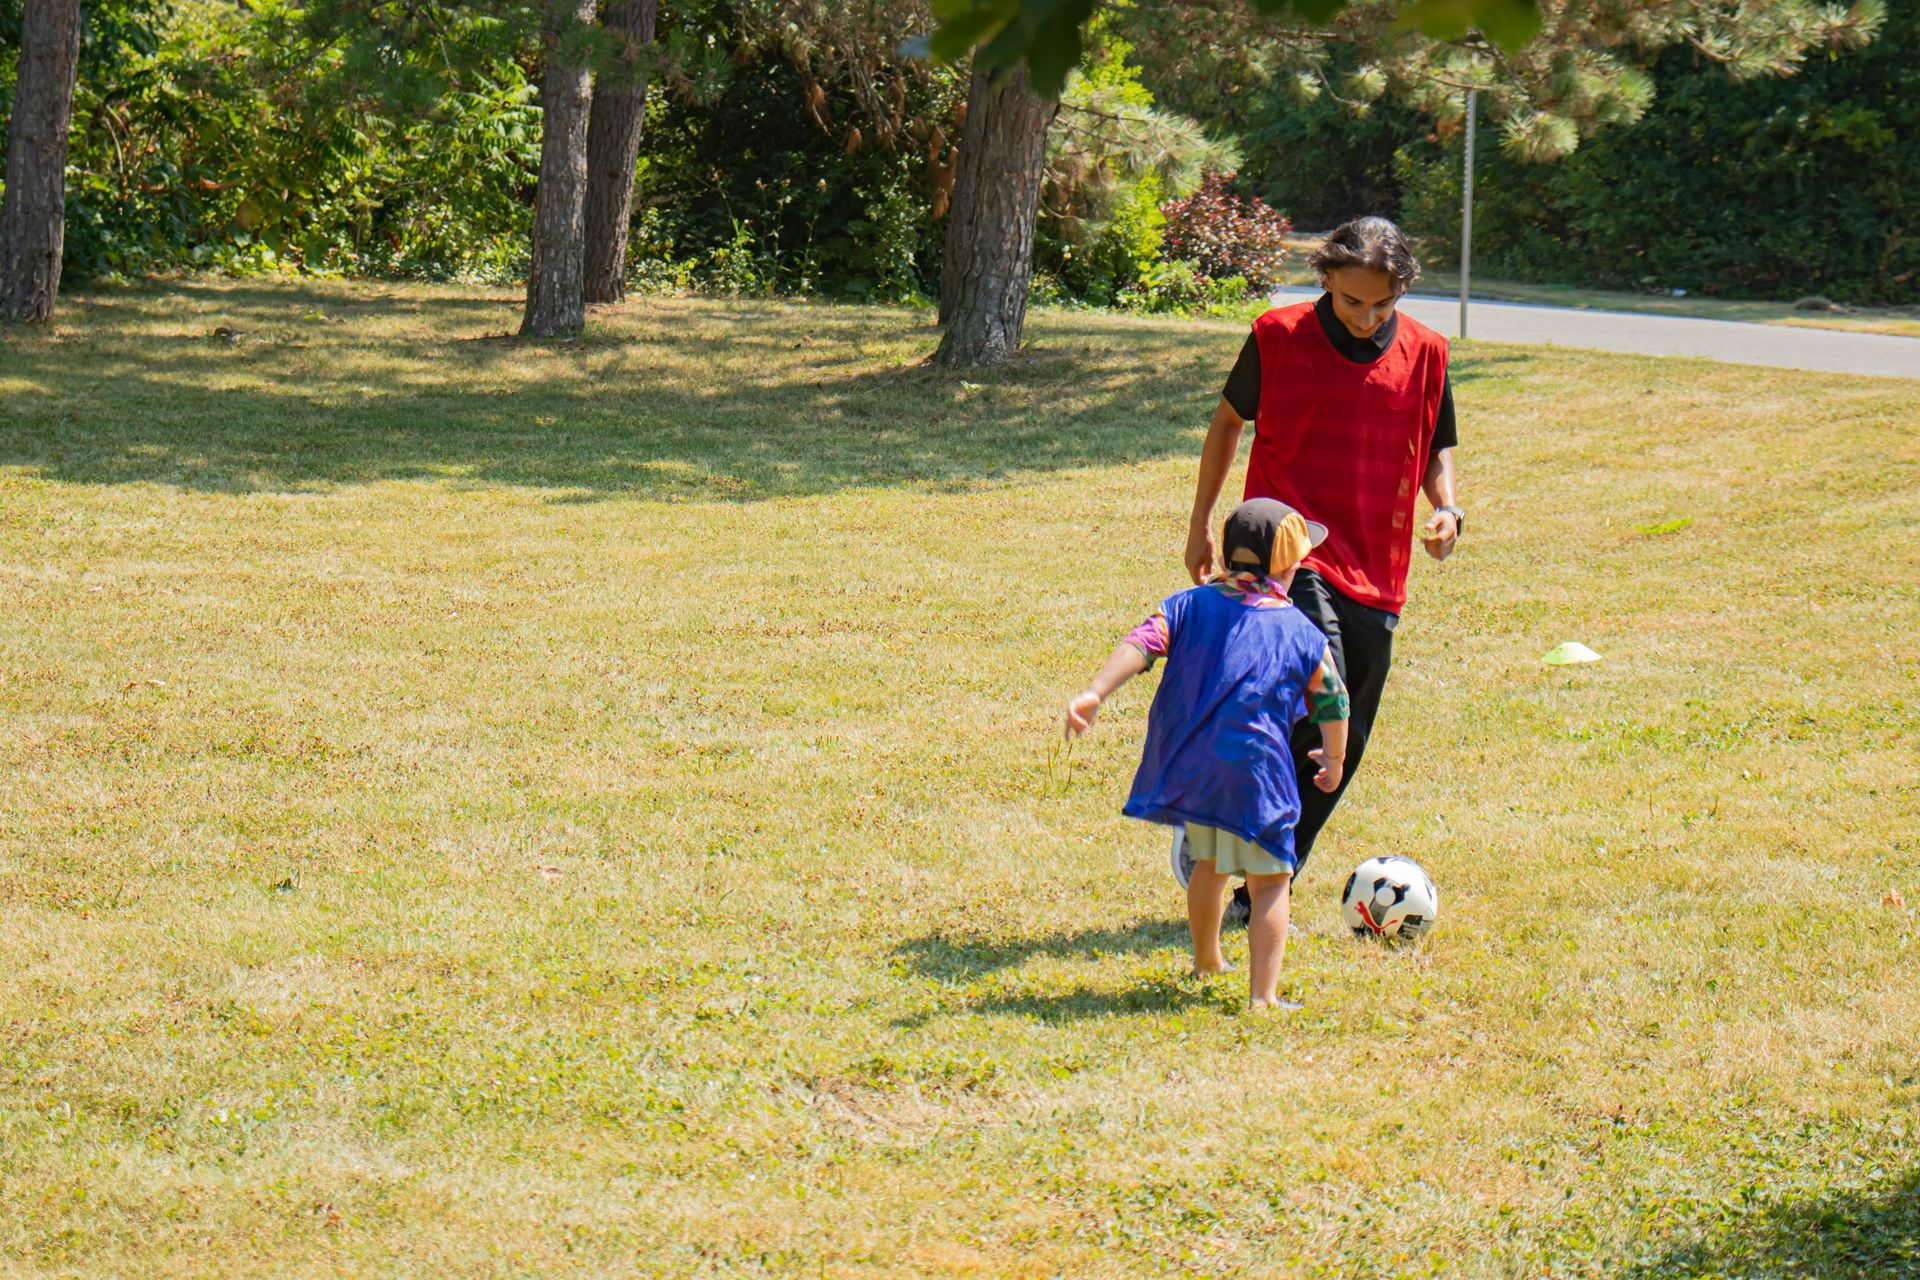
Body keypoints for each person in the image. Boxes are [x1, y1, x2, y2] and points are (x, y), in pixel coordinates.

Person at [1183, 217, 1463, 922]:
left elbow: (1435, 443)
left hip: (1378, 561)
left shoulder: (1428, 352)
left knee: (1347, 738)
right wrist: (1199, 523)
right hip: (1289, 543)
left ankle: (1258, 878)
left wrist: (1449, 508)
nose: (1369, 318)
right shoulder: (1277, 337)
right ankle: (1227, 832)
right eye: (1353, 302)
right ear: (1327, 279)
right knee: (1322, 683)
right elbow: (1226, 424)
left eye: (1384, 305)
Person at [1065, 499, 1350, 1011]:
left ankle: (1206, 959)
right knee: (1269, 883)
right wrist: (1334, 757)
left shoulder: (1187, 604)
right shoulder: (1302, 631)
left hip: (1196, 767)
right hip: (1257, 772)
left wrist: (1096, 691)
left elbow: (1142, 642)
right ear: (1287, 566)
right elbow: (1333, 699)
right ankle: (1262, 997)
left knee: (1211, 864)